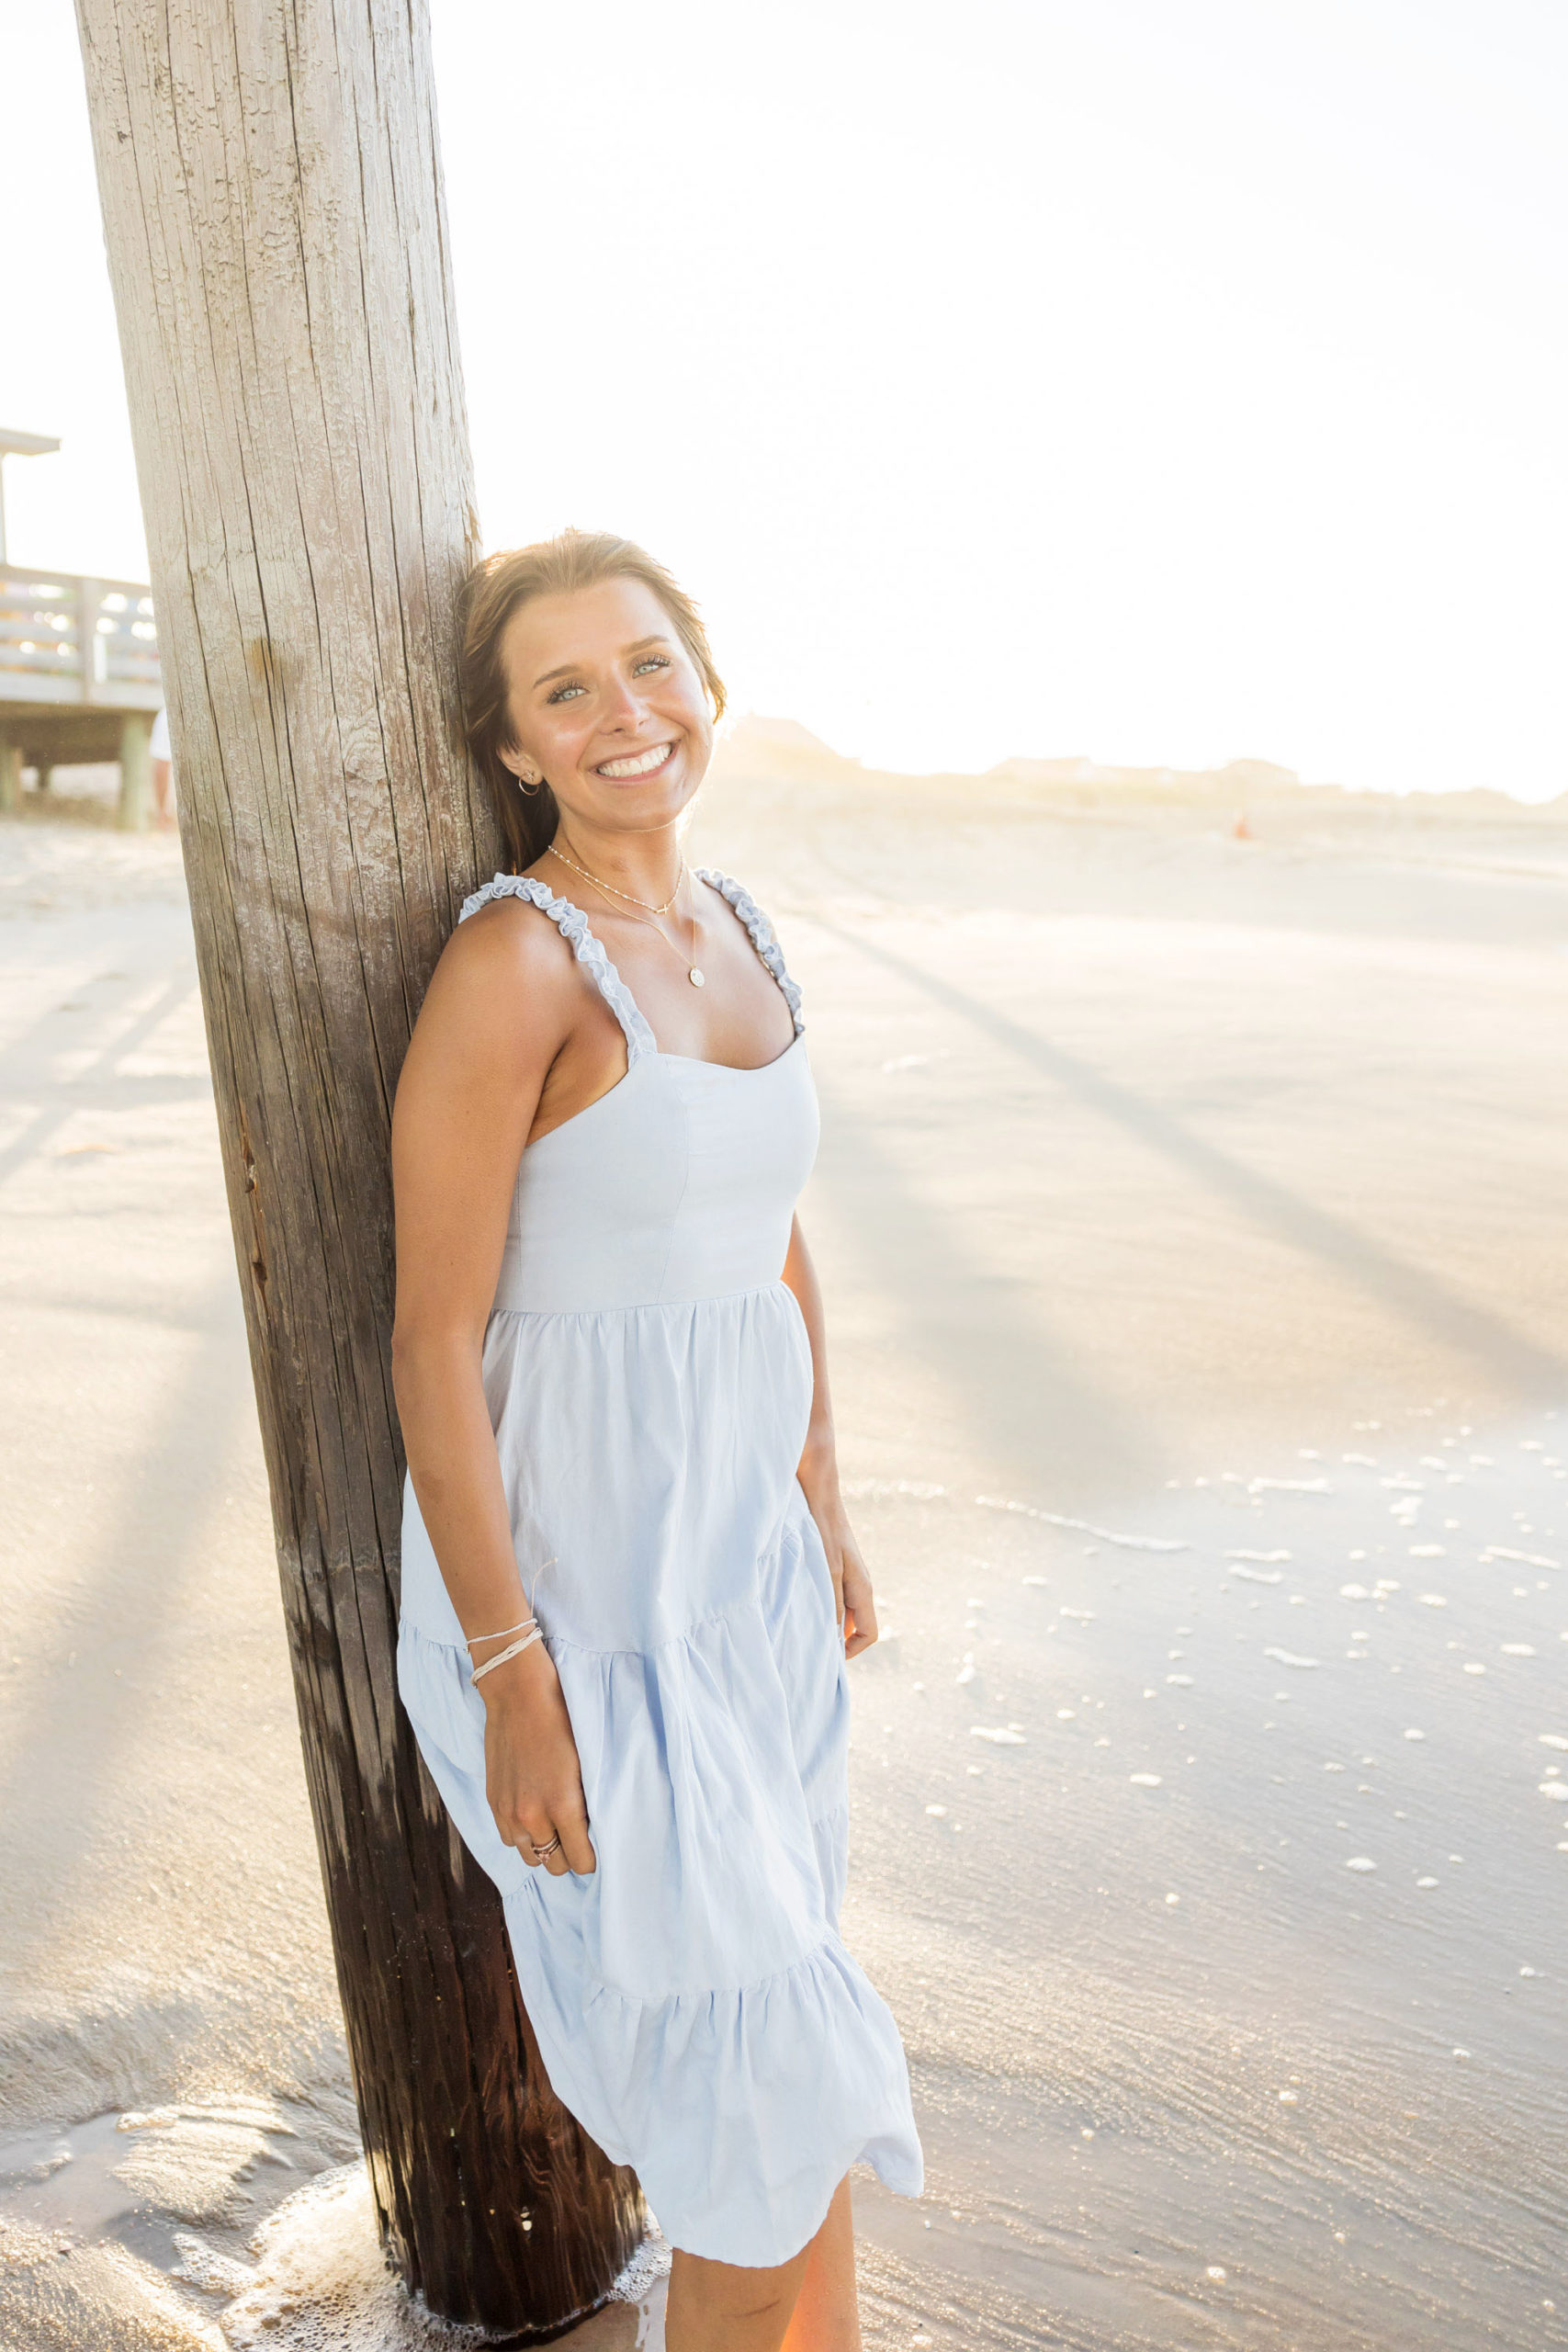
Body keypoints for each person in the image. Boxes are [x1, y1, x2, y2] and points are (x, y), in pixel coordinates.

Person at [390, 530, 922, 2351]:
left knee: (790, 2095)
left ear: (704, 682)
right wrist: (509, 1670)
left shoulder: (745, 932)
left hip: (737, 1586)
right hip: (581, 1610)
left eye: (648, 664)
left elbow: (768, 1231)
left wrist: (821, 1498)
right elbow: (430, 1341)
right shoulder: (516, 967)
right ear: (517, 746)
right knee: (747, 2115)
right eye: (566, 690)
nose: (625, 712)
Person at [149, 705, 175, 831]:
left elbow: (161, 767)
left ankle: (162, 814)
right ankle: (163, 814)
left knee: (162, 761)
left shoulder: (167, 714)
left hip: (173, 707)